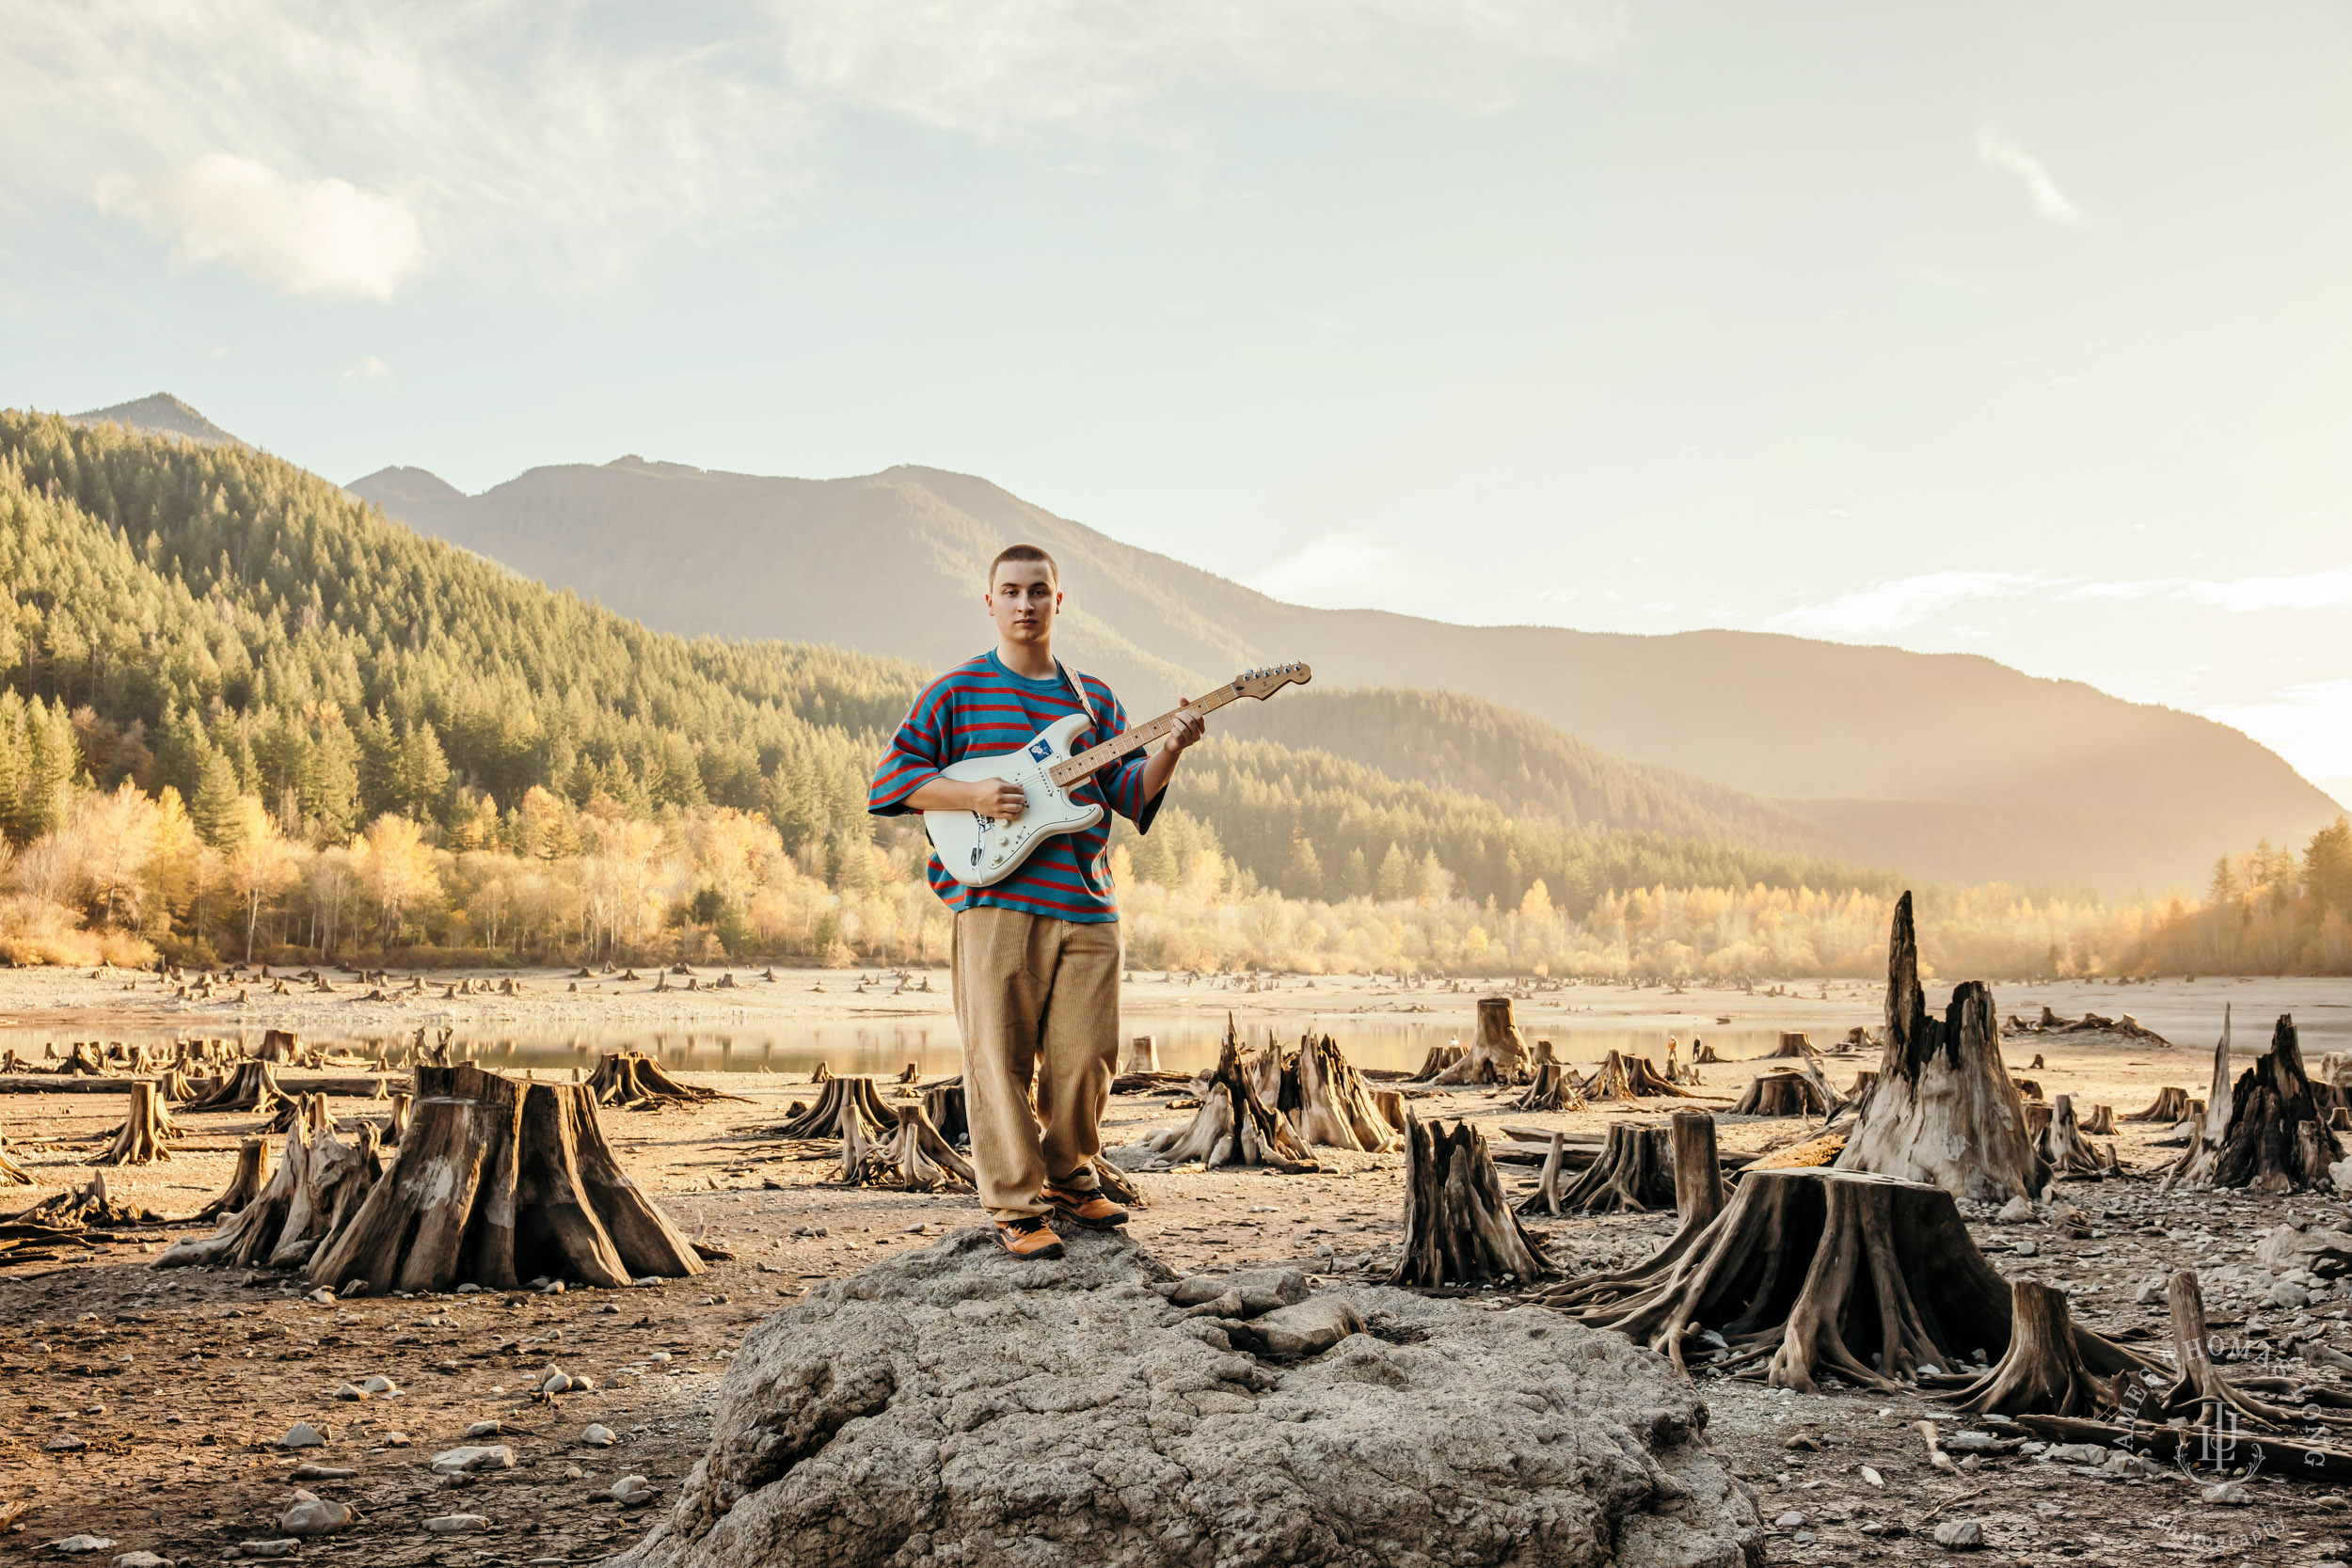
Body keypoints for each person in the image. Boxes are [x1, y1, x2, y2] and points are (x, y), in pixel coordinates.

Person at [868, 544, 1204, 1259]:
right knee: (998, 1058)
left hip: (1089, 904)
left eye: (1039, 592)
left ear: (1060, 601)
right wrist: (971, 794)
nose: (1026, 604)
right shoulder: (956, 693)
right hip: (995, 902)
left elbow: (1126, 794)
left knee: (1088, 1057)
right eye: (1012, 592)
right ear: (989, 602)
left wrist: (1170, 750)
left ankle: (1068, 1169)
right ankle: (1016, 1203)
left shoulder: (1095, 699)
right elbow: (890, 782)